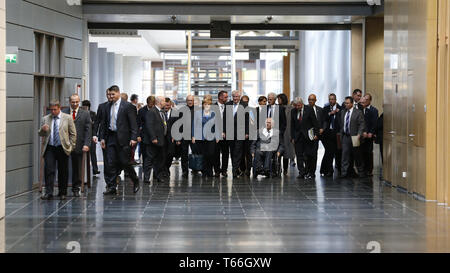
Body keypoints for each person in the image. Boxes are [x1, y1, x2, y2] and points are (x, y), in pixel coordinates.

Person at [99, 85, 140, 195]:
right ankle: (112, 186)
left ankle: (135, 179)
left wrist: (133, 138)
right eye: (109, 94)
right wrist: (102, 138)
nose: (110, 96)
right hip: (110, 137)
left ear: (118, 93)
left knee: (124, 162)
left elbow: (133, 124)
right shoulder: (107, 106)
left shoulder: (127, 106)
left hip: (123, 138)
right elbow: (103, 123)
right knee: (110, 162)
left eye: (113, 94)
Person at [39, 100, 77, 200]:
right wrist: (43, 130)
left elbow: (73, 133)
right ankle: (49, 192)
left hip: (62, 147)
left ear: (59, 108)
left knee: (63, 170)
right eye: (51, 110)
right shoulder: (46, 119)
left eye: (55, 109)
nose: (53, 112)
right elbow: (40, 134)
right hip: (50, 148)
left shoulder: (67, 118)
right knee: (49, 170)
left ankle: (62, 192)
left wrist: (71, 146)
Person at [63, 94, 92, 197]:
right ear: (69, 102)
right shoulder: (63, 113)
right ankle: (63, 189)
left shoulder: (85, 114)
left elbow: (88, 130)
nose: (74, 104)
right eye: (72, 102)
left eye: (76, 102)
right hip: (65, 144)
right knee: (64, 167)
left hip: (79, 144)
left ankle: (76, 188)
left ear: (79, 102)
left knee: (77, 168)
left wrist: (87, 144)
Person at [291, 97, 320, 179]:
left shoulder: (309, 109)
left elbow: (315, 122)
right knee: (299, 155)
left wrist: (316, 134)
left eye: (298, 105)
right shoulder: (293, 111)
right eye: (296, 106)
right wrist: (292, 137)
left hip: (308, 136)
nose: (297, 107)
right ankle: (301, 172)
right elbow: (292, 125)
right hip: (298, 137)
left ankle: (308, 171)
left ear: (302, 103)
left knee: (308, 155)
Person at [339, 96, 366, 179]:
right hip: (345, 137)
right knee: (344, 156)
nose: (345, 104)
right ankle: (344, 173)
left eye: (347, 103)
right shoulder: (343, 112)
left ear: (351, 104)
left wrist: (359, 134)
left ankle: (361, 172)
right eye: (345, 103)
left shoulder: (358, 112)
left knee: (357, 155)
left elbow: (362, 124)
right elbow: (341, 124)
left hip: (355, 137)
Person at [192, 97, 220, 177]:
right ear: (203, 105)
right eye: (205, 104)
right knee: (203, 155)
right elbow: (194, 125)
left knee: (211, 154)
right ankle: (204, 171)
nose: (207, 105)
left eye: (209, 104)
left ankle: (210, 170)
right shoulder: (198, 113)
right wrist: (193, 136)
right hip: (200, 137)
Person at [143, 96, 168, 182]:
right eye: (164, 101)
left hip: (161, 140)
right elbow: (149, 126)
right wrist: (153, 137)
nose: (166, 103)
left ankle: (158, 176)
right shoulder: (152, 112)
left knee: (159, 159)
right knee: (149, 159)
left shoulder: (162, 112)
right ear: (160, 102)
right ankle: (146, 178)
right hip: (153, 141)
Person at [224, 91, 245, 178]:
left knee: (238, 151)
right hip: (230, 132)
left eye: (237, 97)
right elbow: (224, 119)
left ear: (239, 97)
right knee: (232, 151)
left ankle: (235, 170)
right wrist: (224, 131)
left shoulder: (244, 105)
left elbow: (247, 120)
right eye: (234, 97)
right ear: (232, 97)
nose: (235, 98)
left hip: (240, 132)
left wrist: (247, 132)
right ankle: (235, 168)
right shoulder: (228, 104)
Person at [320, 93, 342, 177]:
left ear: (335, 100)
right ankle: (329, 170)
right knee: (329, 152)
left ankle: (339, 169)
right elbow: (323, 118)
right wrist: (330, 113)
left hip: (337, 133)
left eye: (333, 99)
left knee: (338, 152)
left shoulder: (340, 108)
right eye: (330, 99)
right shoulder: (325, 108)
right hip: (328, 133)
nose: (331, 101)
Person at [93, 89, 113, 179]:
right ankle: (108, 180)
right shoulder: (102, 106)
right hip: (104, 136)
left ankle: (114, 175)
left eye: (111, 94)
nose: (109, 96)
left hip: (117, 137)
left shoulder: (119, 106)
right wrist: (95, 134)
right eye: (108, 94)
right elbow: (97, 121)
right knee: (107, 159)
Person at [307, 94, 325, 178]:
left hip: (317, 136)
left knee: (314, 154)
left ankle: (312, 172)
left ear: (315, 100)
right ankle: (307, 170)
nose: (310, 101)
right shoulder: (305, 109)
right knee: (306, 155)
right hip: (306, 136)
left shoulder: (320, 110)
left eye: (312, 100)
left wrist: (322, 129)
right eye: (309, 99)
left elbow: (324, 121)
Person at [361, 93, 379, 177]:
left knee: (368, 153)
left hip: (369, 135)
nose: (365, 101)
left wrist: (371, 132)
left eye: (367, 100)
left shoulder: (374, 110)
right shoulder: (360, 109)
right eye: (364, 99)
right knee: (361, 152)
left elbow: (374, 123)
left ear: (370, 101)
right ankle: (362, 169)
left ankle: (369, 170)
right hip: (361, 135)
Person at [277, 93, 295, 176]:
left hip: (288, 133)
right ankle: (278, 169)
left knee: (286, 153)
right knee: (278, 152)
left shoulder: (291, 108)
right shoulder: (276, 108)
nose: (278, 100)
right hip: (279, 133)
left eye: (279, 99)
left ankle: (285, 170)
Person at [82, 100, 100, 176]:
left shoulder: (93, 114)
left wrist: (95, 135)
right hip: (83, 136)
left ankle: (95, 169)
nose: (85, 108)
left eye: (86, 106)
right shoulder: (80, 114)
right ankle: (84, 170)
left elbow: (96, 125)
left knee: (93, 153)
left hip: (91, 135)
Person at [214, 90, 230, 177]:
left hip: (226, 135)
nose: (227, 98)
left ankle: (224, 170)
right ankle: (217, 170)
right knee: (216, 153)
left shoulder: (228, 107)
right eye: (225, 97)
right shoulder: (213, 107)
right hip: (216, 135)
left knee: (225, 153)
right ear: (220, 97)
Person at [239, 95, 252, 177]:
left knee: (248, 153)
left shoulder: (251, 110)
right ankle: (242, 169)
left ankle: (248, 170)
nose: (245, 103)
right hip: (240, 134)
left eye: (246, 101)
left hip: (249, 135)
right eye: (243, 101)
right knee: (241, 153)